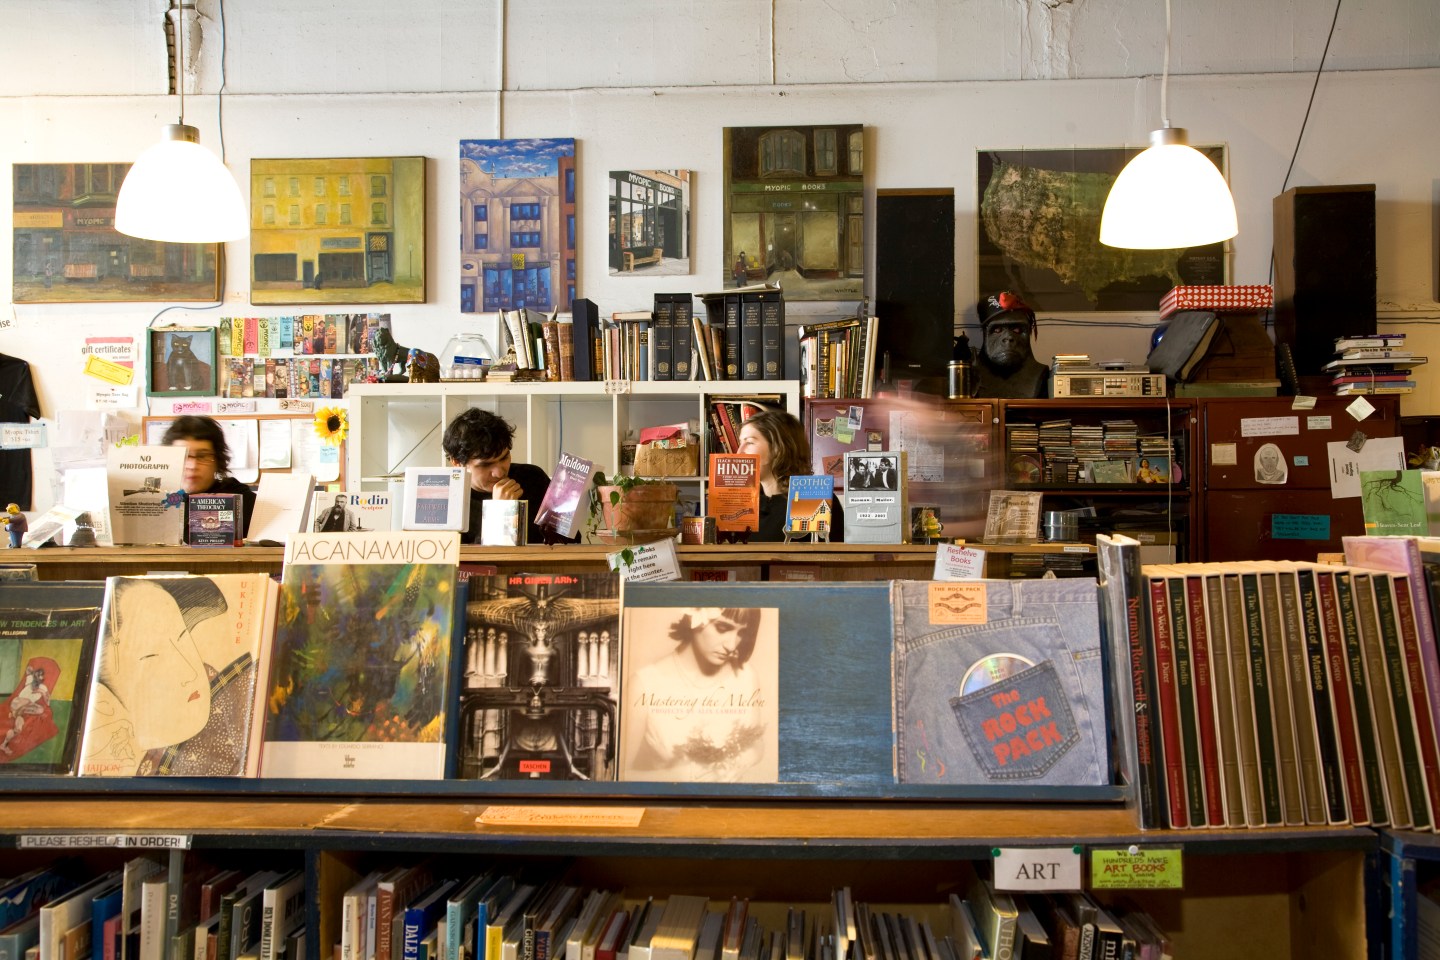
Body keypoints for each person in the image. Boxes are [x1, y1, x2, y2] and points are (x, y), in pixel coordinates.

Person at [81, 577, 233, 776]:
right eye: (151, 655)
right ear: (103, 700)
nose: (191, 672)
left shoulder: (234, 694)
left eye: (183, 635)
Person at [625, 607, 771, 782]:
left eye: (742, 632)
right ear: (694, 619)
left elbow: (755, 742)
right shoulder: (643, 684)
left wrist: (744, 759)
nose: (732, 645)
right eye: (722, 628)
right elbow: (619, 776)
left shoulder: (745, 675)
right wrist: (679, 776)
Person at [442, 408, 576, 545]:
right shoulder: (448, 501)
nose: (499, 472)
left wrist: (568, 507)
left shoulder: (532, 477)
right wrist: (499, 511)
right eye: (485, 465)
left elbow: (571, 542)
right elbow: (467, 561)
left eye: (504, 458)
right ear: (457, 463)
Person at [735, 409, 843, 543]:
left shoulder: (818, 500)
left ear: (778, 448)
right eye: (740, 443)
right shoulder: (742, 504)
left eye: (750, 442)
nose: (739, 452)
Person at [161, 415, 257, 538]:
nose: (192, 465)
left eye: (202, 456)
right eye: (183, 456)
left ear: (218, 460)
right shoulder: (154, 501)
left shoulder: (242, 503)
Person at [971, 291, 1050, 399]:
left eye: (1017, 330)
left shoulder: (1043, 375)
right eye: (998, 330)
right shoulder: (969, 376)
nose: (1008, 337)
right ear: (985, 334)